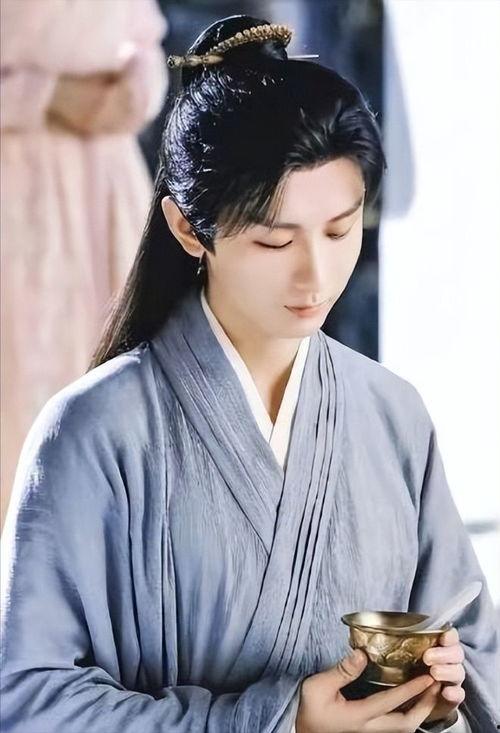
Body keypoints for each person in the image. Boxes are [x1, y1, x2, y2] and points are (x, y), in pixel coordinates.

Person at [1, 14, 498, 733]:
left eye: (340, 229)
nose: (316, 275)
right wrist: (280, 721)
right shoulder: (93, 430)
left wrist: (445, 691)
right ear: (187, 229)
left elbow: (477, 648)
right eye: (274, 241)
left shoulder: (393, 413)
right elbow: (28, 699)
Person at [0, 0, 168, 525]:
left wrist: (134, 92)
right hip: (17, 195)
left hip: (108, 189)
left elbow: (145, 39)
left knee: (120, 377)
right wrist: (45, 96)